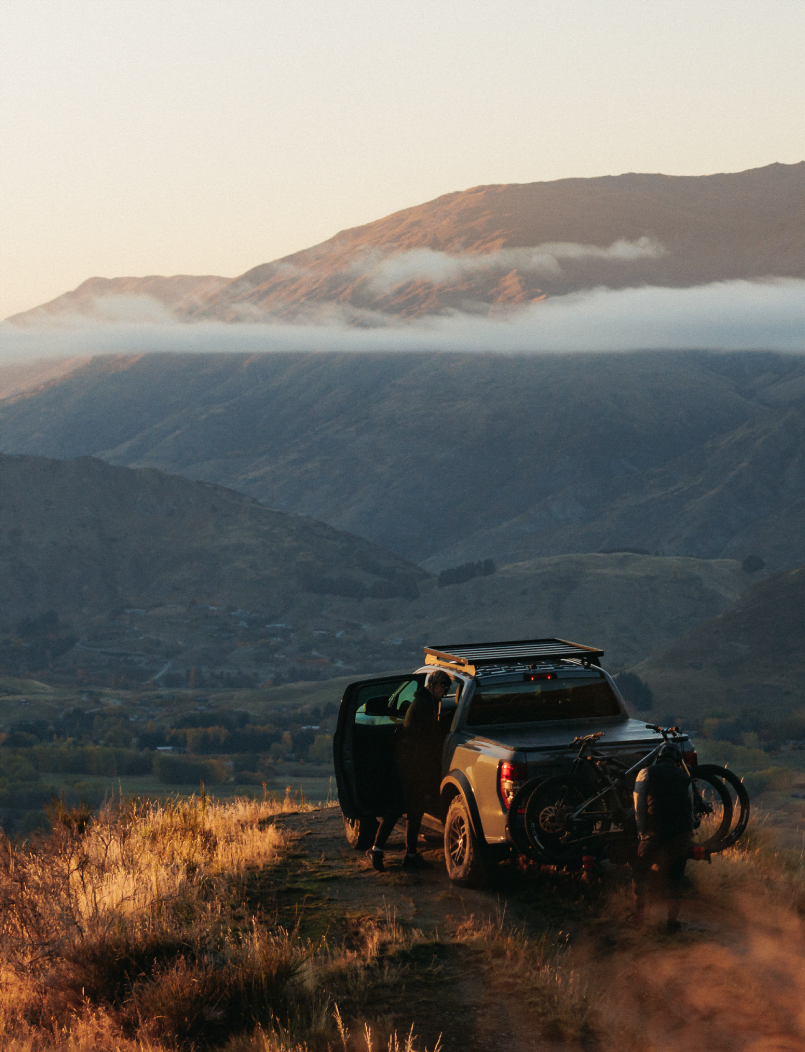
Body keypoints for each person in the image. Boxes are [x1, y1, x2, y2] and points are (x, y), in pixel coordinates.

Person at [367, 668, 451, 872]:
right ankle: (379, 851)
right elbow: (429, 736)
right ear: (435, 685)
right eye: (444, 686)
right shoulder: (423, 705)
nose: (445, 691)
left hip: (410, 765)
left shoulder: (423, 702)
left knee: (409, 811)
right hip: (412, 767)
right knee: (402, 810)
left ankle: (403, 854)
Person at [631, 741, 695, 932]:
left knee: (639, 872)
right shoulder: (685, 777)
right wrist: (688, 834)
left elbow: (638, 807)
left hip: (654, 832)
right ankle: (672, 922)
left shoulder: (646, 773)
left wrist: (642, 834)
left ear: (659, 758)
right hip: (680, 834)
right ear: (677, 761)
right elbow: (690, 809)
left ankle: (639, 917)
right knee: (676, 878)